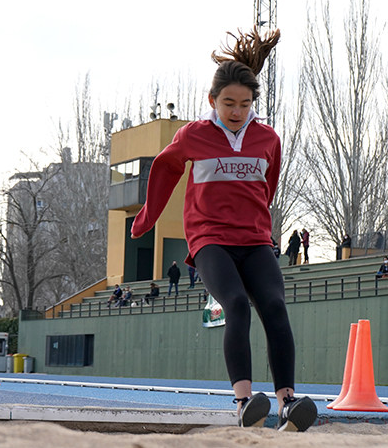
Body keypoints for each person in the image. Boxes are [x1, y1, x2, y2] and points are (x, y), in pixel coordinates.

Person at [130, 27, 317, 431]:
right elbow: (164, 169)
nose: (236, 110)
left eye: (245, 104)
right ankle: (245, 401)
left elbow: (268, 185)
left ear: (253, 104)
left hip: (253, 239)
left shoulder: (268, 139)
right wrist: (148, 216)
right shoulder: (194, 135)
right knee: (235, 304)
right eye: (228, 103)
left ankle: (287, 400)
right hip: (210, 239)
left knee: (275, 306)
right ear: (212, 100)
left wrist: (258, 220)